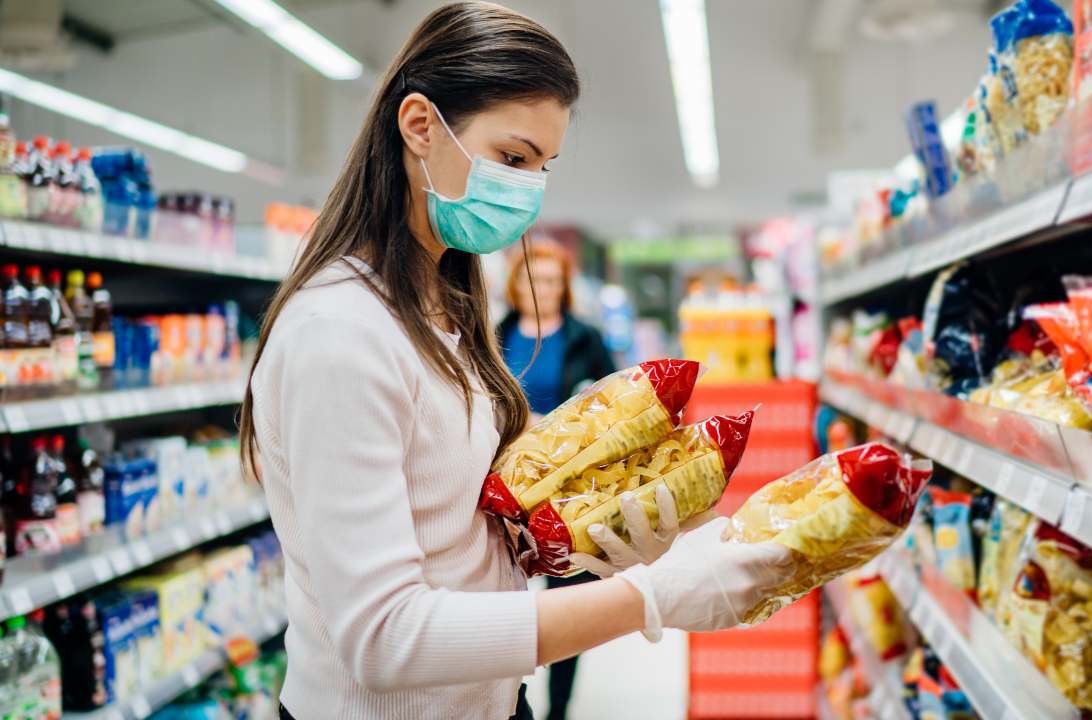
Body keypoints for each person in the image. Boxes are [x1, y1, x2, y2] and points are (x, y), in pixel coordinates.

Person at [238, 3, 792, 720]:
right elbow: (382, 638)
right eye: (513, 158)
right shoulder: (339, 331)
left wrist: (579, 541)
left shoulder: (444, 309)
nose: (529, 189)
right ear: (419, 126)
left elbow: (451, 532)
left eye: (543, 166)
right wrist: (646, 601)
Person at [497, 240, 614, 720]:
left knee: (570, 602)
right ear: (515, 285)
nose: (540, 289)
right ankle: (510, 693)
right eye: (531, 278)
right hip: (510, 490)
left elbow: (615, 402)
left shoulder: (586, 339)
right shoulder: (495, 334)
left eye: (550, 280)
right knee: (506, 599)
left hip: (573, 494)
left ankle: (558, 710)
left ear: (563, 287)